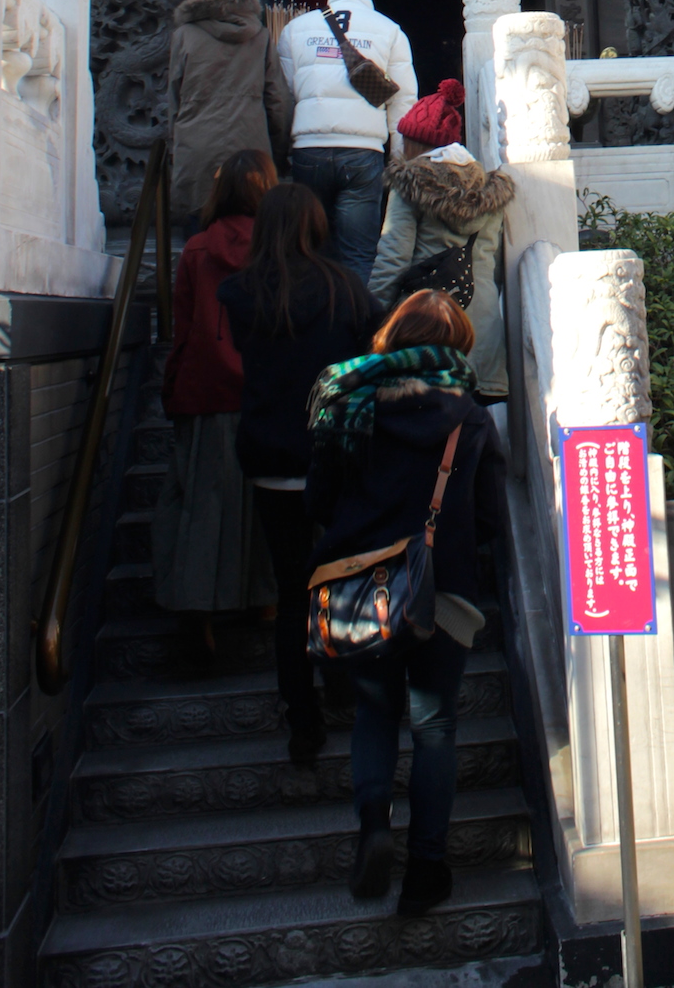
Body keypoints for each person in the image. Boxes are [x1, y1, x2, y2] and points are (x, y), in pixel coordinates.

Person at [307, 288, 504, 913]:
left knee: (374, 714)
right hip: (441, 592)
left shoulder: (350, 403)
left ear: (392, 336)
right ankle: (426, 870)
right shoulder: (471, 417)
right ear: (458, 347)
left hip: (365, 591)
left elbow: (318, 500)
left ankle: (373, 827)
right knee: (434, 726)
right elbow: (492, 517)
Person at [220, 182, 380, 760]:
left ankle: (302, 722)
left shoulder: (240, 293)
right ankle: (343, 683)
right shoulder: (345, 289)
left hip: (270, 456)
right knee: (342, 575)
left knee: (291, 592)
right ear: (317, 225)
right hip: (336, 454)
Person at [152, 149, 279, 664]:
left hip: (205, 390)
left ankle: (196, 609)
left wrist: (173, 387)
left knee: (200, 505)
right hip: (264, 392)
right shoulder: (278, 249)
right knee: (266, 502)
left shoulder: (197, 249)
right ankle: (266, 599)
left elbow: (182, 328)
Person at [278, 0, 417, 282]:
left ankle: (316, 313)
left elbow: (286, 94)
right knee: (359, 254)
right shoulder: (391, 31)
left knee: (310, 250)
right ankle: (356, 315)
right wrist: (399, 160)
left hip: (309, 150)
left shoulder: (295, 29)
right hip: (362, 153)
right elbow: (403, 101)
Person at [369, 85, 512, 405]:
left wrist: (374, 316)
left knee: (425, 420)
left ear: (413, 141)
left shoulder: (409, 182)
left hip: (426, 322)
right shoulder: (489, 189)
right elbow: (495, 268)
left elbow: (393, 258)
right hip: (481, 325)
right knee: (473, 421)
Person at [168, 0, 292, 232]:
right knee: (250, 237)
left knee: (201, 238)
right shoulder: (260, 35)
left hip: (197, 151)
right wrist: (276, 152)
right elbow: (278, 101)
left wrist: (176, 147)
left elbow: (174, 101)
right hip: (251, 152)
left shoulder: (184, 35)